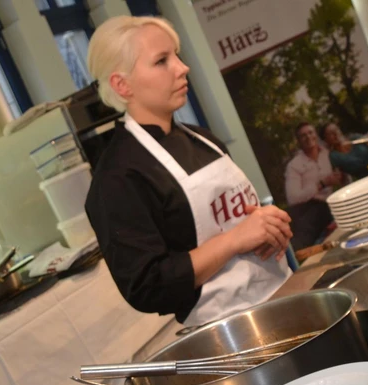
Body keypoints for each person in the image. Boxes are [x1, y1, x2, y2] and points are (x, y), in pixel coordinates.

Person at [84, 16, 293, 326]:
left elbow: (237, 220)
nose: (183, 68)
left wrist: (269, 226)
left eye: (177, 56)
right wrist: (235, 239)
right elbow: (148, 286)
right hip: (229, 329)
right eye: (161, 61)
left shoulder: (203, 139)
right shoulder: (117, 178)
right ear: (122, 84)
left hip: (284, 292)